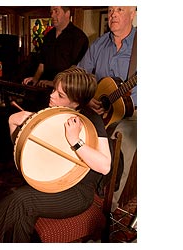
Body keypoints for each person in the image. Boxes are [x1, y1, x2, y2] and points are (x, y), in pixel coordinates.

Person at [0, 66, 111, 243]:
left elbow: (105, 167)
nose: (52, 96)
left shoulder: (91, 119)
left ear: (76, 102)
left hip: (77, 193)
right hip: (50, 183)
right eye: (54, 90)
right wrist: (14, 125)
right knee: (21, 216)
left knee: (20, 200)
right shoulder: (53, 112)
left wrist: (75, 141)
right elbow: (27, 152)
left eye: (61, 95)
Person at [77, 6, 137, 211]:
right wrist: (88, 96)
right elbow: (80, 74)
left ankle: (105, 210)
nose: (113, 14)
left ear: (133, 14)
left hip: (132, 112)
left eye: (120, 9)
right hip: (99, 111)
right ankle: (78, 194)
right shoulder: (99, 43)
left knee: (120, 144)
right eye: (111, 10)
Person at [22, 6, 89, 88]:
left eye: (56, 11)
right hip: (44, 86)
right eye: (51, 12)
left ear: (67, 13)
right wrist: (35, 80)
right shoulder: (48, 36)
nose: (52, 15)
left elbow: (76, 69)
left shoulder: (79, 37)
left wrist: (54, 83)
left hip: (65, 90)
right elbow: (42, 64)